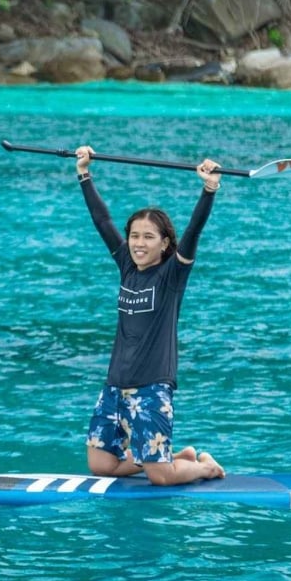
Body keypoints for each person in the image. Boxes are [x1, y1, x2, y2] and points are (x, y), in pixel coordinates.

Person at [74, 145, 227, 485]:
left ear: (165, 243)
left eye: (148, 237)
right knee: (101, 466)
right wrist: (84, 173)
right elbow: (102, 220)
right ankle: (177, 456)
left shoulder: (172, 275)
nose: (138, 243)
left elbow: (193, 232)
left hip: (152, 387)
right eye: (134, 236)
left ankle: (202, 466)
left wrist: (209, 189)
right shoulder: (127, 266)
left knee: (160, 477)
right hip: (115, 386)